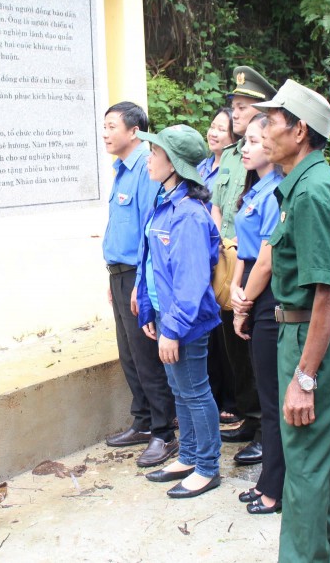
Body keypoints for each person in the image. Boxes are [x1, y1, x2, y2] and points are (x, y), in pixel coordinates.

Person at [254, 79, 330, 562]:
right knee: (321, 461)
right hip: (308, 332)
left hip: (313, 335)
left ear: (299, 132)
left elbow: (328, 293)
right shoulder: (305, 186)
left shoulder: (313, 194)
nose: (260, 130)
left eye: (271, 122)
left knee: (303, 463)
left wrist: (304, 376)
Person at [134, 125, 224, 499]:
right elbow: (152, 263)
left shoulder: (187, 213)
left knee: (195, 390)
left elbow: (191, 283)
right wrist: (149, 310)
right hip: (167, 316)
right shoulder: (165, 203)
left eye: (155, 153)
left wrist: (172, 329)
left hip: (184, 322)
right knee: (179, 389)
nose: (149, 158)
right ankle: (187, 454)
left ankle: (207, 466)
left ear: (174, 164)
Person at [101, 101, 179, 468]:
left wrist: (139, 285)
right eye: (105, 126)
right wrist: (114, 278)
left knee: (147, 357)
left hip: (137, 275)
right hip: (119, 273)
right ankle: (143, 421)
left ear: (134, 131)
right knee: (129, 354)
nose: (105, 133)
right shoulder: (121, 170)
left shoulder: (145, 171)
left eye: (112, 126)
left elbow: (150, 231)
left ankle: (164, 433)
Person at [211, 66, 277, 465]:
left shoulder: (275, 173)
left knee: (258, 350)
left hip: (255, 266)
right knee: (236, 347)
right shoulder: (235, 157)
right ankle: (251, 417)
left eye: (243, 107)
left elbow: (266, 243)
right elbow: (221, 204)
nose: (235, 115)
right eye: (233, 107)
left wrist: (244, 285)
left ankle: (266, 428)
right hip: (233, 260)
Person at [228, 114, 285, 515]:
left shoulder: (277, 191)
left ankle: (275, 487)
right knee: (266, 392)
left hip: (266, 298)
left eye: (253, 140)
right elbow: (243, 251)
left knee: (273, 396)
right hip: (250, 292)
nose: (245, 148)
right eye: (244, 141)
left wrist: (243, 302)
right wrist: (235, 289)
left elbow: (265, 259)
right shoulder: (255, 190)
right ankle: (269, 481)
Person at [197, 107, 238, 423]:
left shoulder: (236, 166)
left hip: (226, 255)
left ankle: (231, 400)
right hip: (203, 254)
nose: (213, 132)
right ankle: (214, 395)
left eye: (221, 129)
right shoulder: (201, 167)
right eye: (212, 126)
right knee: (210, 332)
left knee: (226, 329)